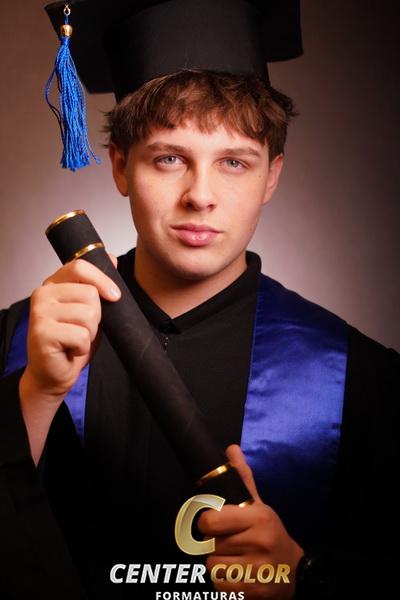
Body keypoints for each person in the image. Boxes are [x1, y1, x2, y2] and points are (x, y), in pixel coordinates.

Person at [0, 1, 398, 599]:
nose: (200, 196)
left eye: (234, 162)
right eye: (169, 158)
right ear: (120, 167)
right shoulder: (20, 341)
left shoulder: (358, 378)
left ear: (271, 176)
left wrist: (304, 575)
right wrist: (35, 394)